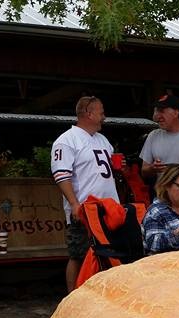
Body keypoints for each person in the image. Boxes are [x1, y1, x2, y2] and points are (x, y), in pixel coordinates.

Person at [52, 96, 119, 292]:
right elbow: (61, 175)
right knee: (79, 254)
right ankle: (72, 296)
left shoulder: (102, 139)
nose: (104, 117)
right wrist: (74, 204)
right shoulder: (66, 140)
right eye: (101, 112)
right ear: (89, 114)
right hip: (84, 209)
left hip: (107, 209)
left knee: (107, 252)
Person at [139, 93, 179, 186]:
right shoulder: (153, 135)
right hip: (161, 193)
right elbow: (144, 171)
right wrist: (152, 168)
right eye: (156, 111)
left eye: (161, 111)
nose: (156, 117)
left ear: (176, 113)